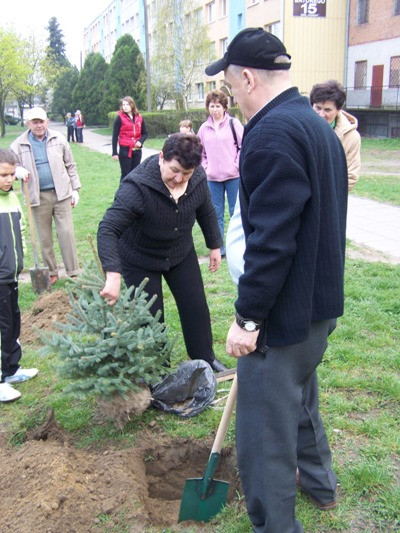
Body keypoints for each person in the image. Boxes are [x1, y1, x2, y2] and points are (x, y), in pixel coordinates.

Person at [206, 27, 348, 532]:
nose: (229, 94)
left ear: (246, 78)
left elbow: (271, 241)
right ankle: (322, 486)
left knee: (264, 437)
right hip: (320, 307)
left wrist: (247, 319)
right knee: (302, 398)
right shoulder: (315, 124)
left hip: (284, 316)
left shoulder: (270, 134)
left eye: (229, 83)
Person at [97, 133, 227, 373]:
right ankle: (158, 369)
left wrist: (214, 246)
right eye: (174, 170)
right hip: (140, 258)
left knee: (195, 306)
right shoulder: (136, 186)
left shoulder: (196, 177)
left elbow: (206, 210)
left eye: (185, 174)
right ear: (161, 158)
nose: (179, 179)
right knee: (150, 316)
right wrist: (113, 274)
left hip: (180, 251)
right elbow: (108, 228)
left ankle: (205, 357)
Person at [10, 107, 81, 284]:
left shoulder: (59, 138)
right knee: (44, 237)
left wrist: (75, 189)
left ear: (47, 122)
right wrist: (16, 170)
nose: (39, 125)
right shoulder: (18, 144)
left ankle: (73, 271)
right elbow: (8, 166)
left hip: (62, 194)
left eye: (41, 121)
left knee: (66, 233)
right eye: (35, 122)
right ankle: (51, 272)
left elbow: (70, 165)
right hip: (37, 196)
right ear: (28, 124)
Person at [0, 149, 38, 403]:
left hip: (11, 274)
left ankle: (12, 369)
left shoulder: (11, 199)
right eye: (3, 174)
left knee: (13, 321)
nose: (8, 179)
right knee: (1, 328)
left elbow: (19, 234)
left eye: (12, 174)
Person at [197, 90, 243, 256]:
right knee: (215, 214)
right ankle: (220, 248)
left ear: (224, 107)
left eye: (218, 106)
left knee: (235, 212)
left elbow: (243, 146)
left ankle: (236, 245)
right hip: (212, 179)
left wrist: (236, 165)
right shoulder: (203, 128)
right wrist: (205, 167)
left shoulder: (233, 124)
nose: (215, 109)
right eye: (212, 106)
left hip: (233, 177)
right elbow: (199, 152)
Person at [310, 80, 361, 191]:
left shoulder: (352, 137)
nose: (321, 114)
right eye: (318, 108)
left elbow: (351, 176)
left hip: (331, 198)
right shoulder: (301, 128)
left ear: (338, 110)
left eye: (327, 110)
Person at [112, 96, 148, 181]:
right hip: (125, 149)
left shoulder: (139, 117)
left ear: (132, 105)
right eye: (123, 104)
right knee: (126, 174)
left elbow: (145, 133)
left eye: (127, 104)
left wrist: (140, 141)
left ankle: (134, 193)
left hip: (137, 148)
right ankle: (123, 193)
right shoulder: (119, 118)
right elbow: (115, 136)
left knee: (136, 173)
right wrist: (114, 152)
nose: (125, 106)